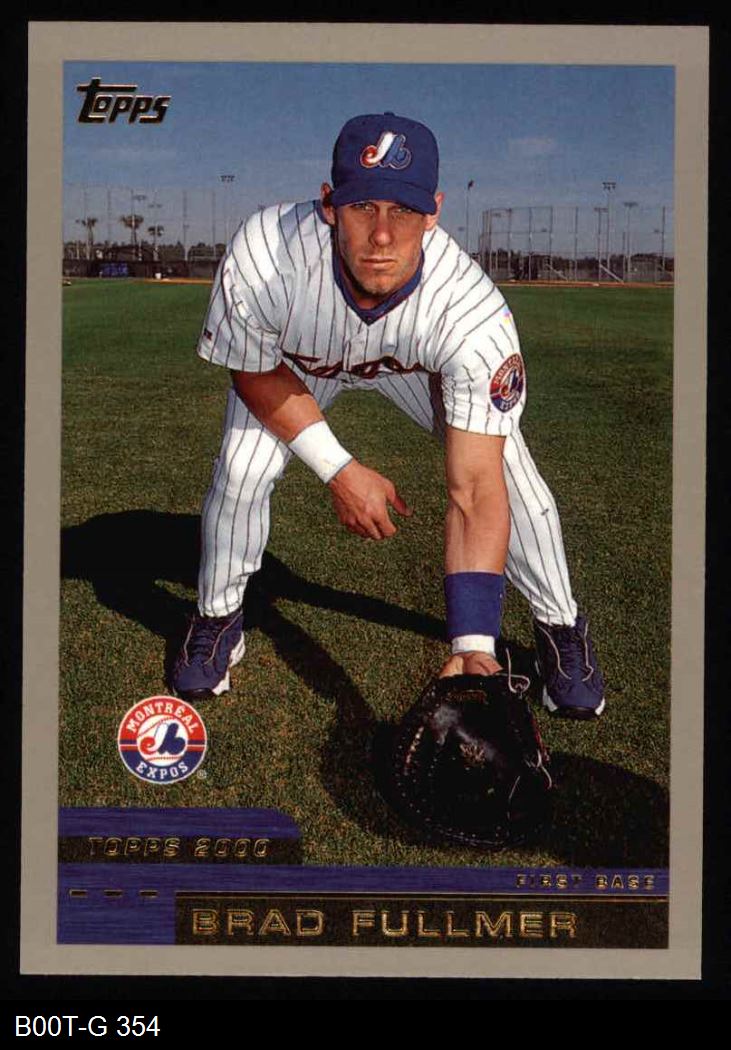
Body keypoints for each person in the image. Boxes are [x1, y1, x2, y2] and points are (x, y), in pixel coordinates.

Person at [170, 112, 605, 719]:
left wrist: (474, 644)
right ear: (329, 205)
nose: (381, 234)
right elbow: (252, 371)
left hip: (413, 368)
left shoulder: (470, 312)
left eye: (403, 210)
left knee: (511, 474)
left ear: (433, 212)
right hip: (296, 366)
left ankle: (559, 625)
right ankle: (217, 617)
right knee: (242, 469)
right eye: (362, 207)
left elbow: (476, 490)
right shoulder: (267, 253)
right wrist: (340, 470)